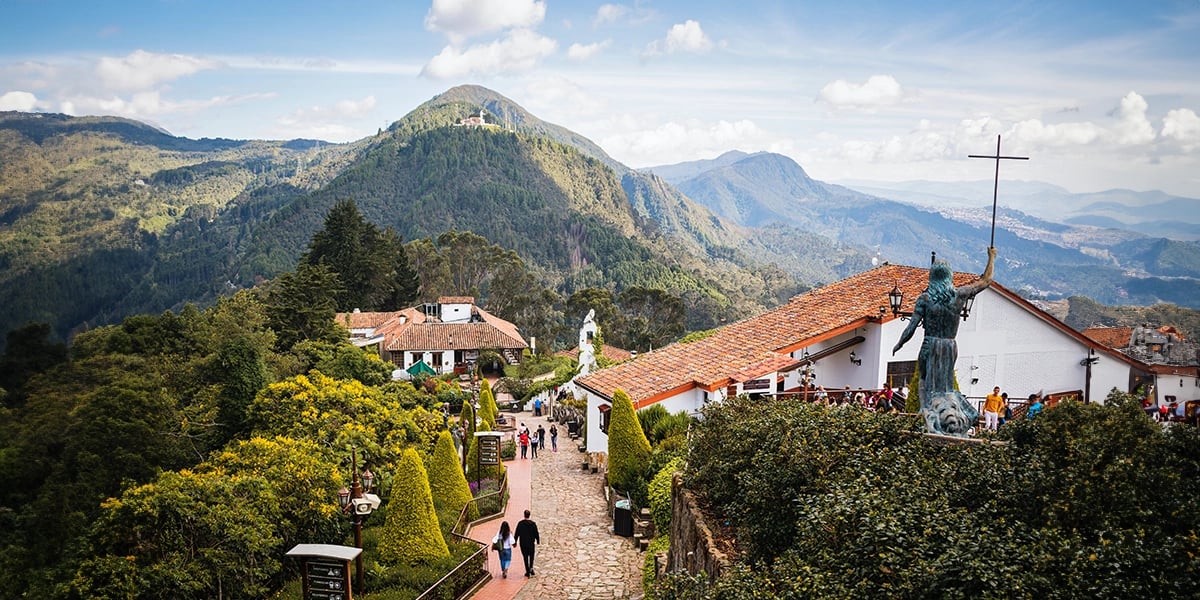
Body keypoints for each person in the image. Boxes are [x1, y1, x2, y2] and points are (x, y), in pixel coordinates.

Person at [893, 247, 997, 436]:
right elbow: (986, 281)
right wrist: (992, 257)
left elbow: (911, 327)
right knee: (946, 385)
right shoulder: (959, 295)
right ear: (949, 277)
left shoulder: (925, 299)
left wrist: (900, 343)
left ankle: (926, 411)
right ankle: (948, 414)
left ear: (932, 278)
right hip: (950, 346)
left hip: (930, 344)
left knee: (925, 381)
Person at [514, 509, 540, 577]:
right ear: (529, 515)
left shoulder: (520, 523)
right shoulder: (533, 524)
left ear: (524, 515)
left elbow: (517, 533)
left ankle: (527, 571)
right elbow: (536, 533)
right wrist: (537, 540)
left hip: (523, 543)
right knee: (531, 556)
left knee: (525, 557)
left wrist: (515, 541)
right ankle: (531, 567)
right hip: (531, 543)